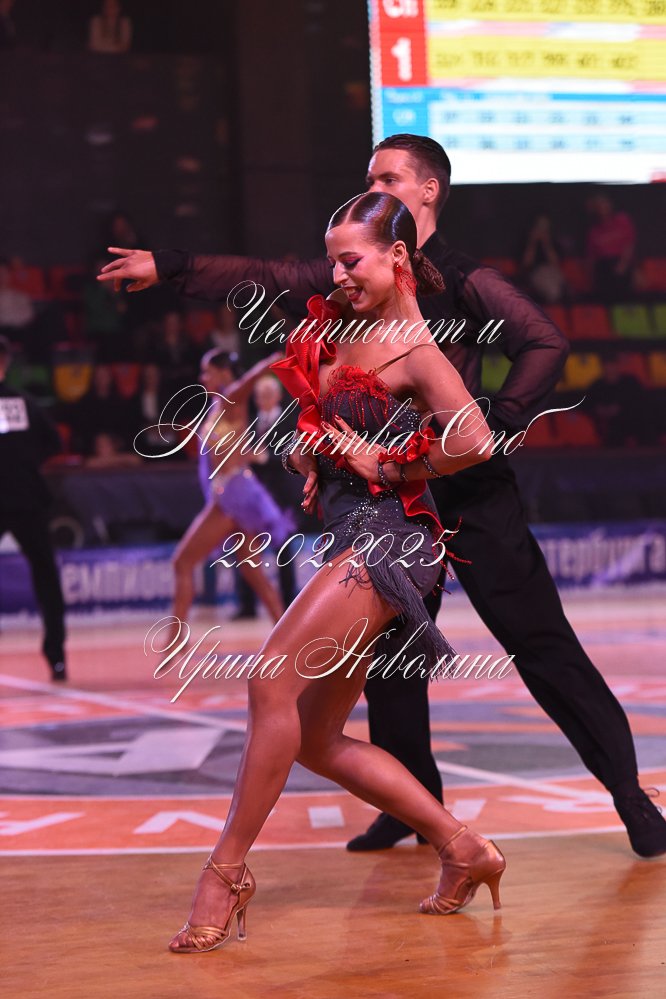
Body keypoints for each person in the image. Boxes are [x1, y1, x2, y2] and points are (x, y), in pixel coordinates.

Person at [97, 133, 666, 859]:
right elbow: (264, 275)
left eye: (390, 177)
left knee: (541, 644)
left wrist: (493, 423)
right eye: (370, 177)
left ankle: (629, 795)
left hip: (469, 492)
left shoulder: (464, 279)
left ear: (429, 190)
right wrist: (171, 265)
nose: (376, 187)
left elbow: (545, 341)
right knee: (391, 668)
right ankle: (412, 809)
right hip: (389, 506)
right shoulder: (353, 266)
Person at [162, 192, 505, 953]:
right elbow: (320, 428)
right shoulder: (342, 329)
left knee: (268, 682)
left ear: (398, 257)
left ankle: (225, 872)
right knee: (316, 737)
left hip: (393, 543)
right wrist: (316, 454)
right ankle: (463, 847)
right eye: (333, 261)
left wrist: (389, 464)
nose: (338, 274)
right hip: (352, 535)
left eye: (351, 260)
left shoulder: (415, 347)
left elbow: (475, 440)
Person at [160, 349, 291, 634]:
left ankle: (175, 642)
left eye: (207, 372)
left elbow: (248, 380)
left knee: (182, 562)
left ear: (223, 373)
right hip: (234, 492)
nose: (202, 378)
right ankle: (286, 636)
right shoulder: (218, 404)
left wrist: (269, 362)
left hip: (233, 495)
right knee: (254, 573)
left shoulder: (232, 397)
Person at [0, 335, 67, 681]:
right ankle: (57, 657)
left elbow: (53, 442)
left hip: (23, 499)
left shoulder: (25, 403)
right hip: (27, 496)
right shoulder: (25, 403)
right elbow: (52, 443)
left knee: (46, 576)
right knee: (46, 578)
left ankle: (56, 655)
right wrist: (24, 462)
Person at [233, 374, 299, 619]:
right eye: (260, 395)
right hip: (254, 496)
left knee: (283, 550)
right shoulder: (250, 423)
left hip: (281, 494)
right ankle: (247, 606)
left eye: (268, 394)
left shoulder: (291, 422)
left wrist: (264, 457)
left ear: (278, 396)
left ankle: (288, 605)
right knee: (247, 547)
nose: (264, 399)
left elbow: (295, 455)